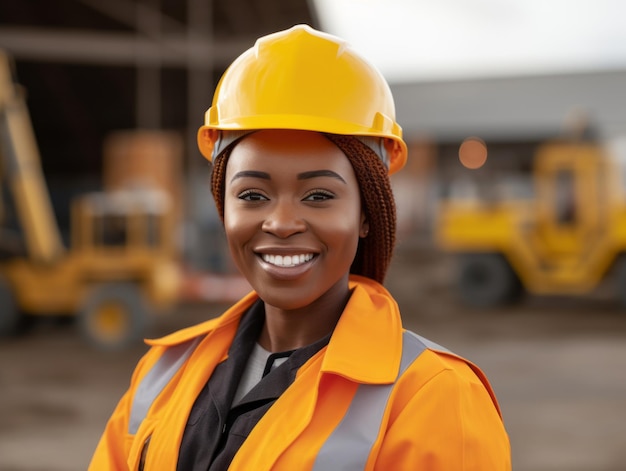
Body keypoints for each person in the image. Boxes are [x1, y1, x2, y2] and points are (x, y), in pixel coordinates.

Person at [88, 24, 511, 470]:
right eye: (252, 195)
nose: (282, 223)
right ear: (223, 209)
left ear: (367, 214)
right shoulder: (163, 372)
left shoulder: (434, 396)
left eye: (319, 196)